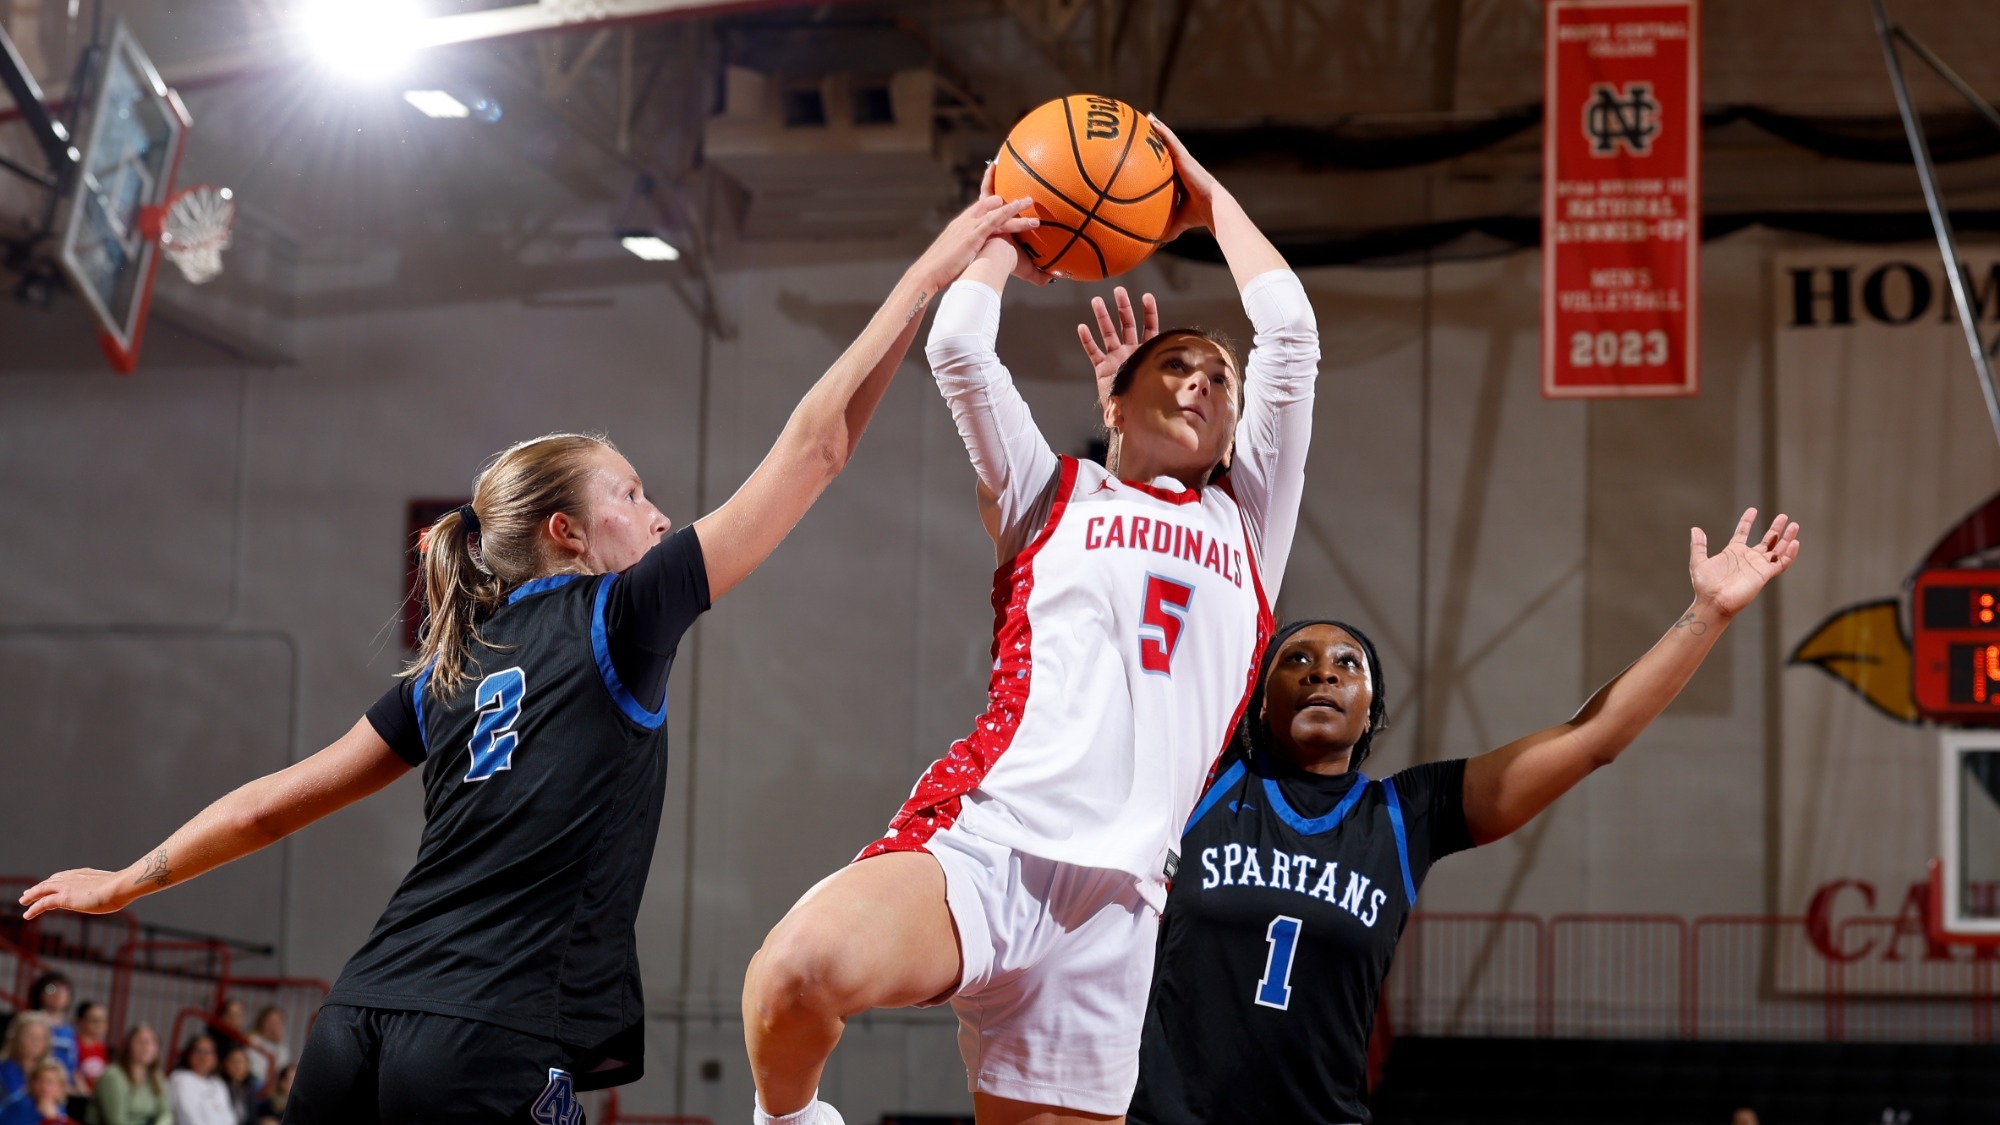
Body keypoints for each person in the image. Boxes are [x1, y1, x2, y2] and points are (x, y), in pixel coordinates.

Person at [18, 188, 1041, 1125]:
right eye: (631, 495)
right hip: (485, 1040)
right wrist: (928, 275)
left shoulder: (449, 669)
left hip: (352, 1026)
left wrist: (123, 883)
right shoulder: (621, 614)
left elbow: (267, 807)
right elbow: (815, 449)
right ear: (565, 533)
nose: (658, 513)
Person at [743, 119, 1318, 1125]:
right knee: (796, 974)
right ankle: (788, 1120)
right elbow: (959, 346)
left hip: (1119, 907)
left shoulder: (1247, 520)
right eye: (1176, 365)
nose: (1203, 382)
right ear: (1120, 402)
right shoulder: (1049, 495)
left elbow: (1292, 340)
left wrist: (1204, 197)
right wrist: (1015, 225)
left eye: (1220, 379)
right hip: (993, 842)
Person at [1127, 511, 1803, 1125]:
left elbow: (1592, 738)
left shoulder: (1402, 815)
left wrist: (1708, 613)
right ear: (1260, 702)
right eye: (1296, 660)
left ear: (1371, 713)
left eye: (1346, 663)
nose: (1321, 674)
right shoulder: (1207, 783)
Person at [84, 1025, 170, 1125]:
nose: (147, 1047)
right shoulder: (113, 1076)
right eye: (141, 1042)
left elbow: (166, 1113)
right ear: (128, 1045)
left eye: (153, 1042)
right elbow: (116, 1121)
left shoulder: (156, 1076)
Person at [166, 1036, 232, 1125]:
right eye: (198, 1051)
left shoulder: (219, 1084)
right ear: (189, 1055)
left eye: (208, 1052)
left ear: (215, 1059)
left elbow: (229, 1118)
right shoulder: (180, 1079)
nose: (203, 1057)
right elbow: (188, 1116)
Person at [25, 977, 75, 1086]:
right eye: (51, 989)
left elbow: (74, 1067)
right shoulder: (29, 1024)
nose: (58, 994)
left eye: (64, 989)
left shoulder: (70, 1032)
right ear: (40, 994)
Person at [0, 1014, 55, 1104]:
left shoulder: (52, 1072)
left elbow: (59, 1106)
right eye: (30, 1035)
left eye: (42, 1037)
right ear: (16, 1039)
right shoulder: (5, 1069)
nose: (36, 1041)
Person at [0, 1060, 73, 1125]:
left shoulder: (59, 1108)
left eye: (50, 1082)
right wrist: (52, 1120)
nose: (44, 1087)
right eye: (40, 1081)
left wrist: (54, 1118)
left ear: (61, 1088)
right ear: (31, 1083)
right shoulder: (20, 1105)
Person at [69, 1007, 107, 1097]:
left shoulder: (103, 1048)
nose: (99, 1025)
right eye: (94, 1020)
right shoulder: (73, 1044)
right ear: (80, 1021)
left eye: (102, 1021)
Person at [243, 1009, 285, 1089]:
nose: (274, 1026)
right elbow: (255, 1070)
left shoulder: (280, 1045)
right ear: (262, 1022)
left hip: (274, 1085)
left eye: (278, 1022)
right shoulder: (253, 1039)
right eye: (271, 1021)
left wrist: (280, 1044)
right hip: (257, 1082)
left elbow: (283, 1068)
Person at [216, 1045, 255, 1125]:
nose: (238, 1066)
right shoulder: (217, 1086)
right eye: (233, 1061)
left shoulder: (249, 1088)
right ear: (224, 1064)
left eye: (241, 1061)